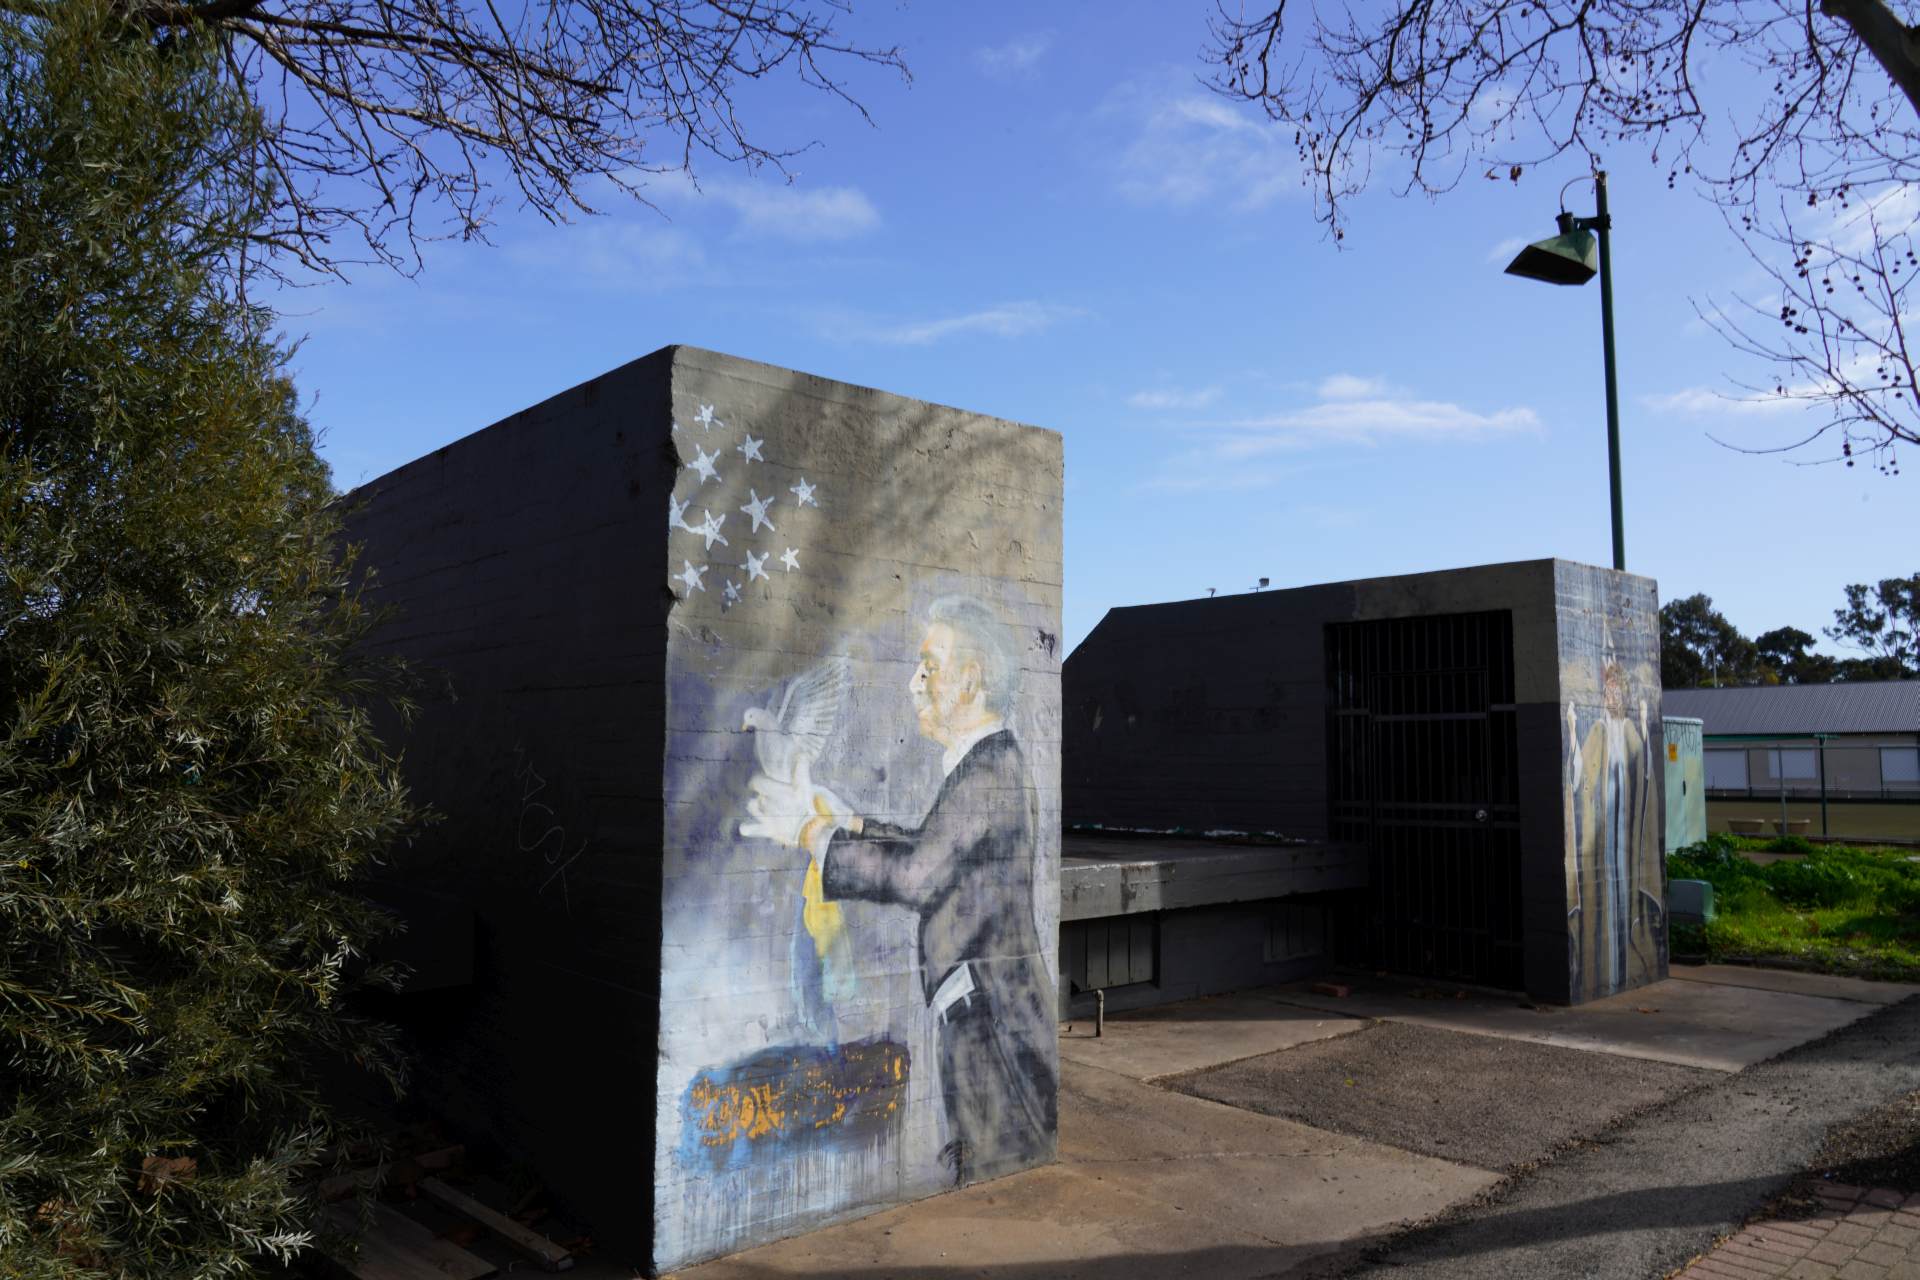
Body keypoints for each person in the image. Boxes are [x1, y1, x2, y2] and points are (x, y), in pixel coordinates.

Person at [741, 596, 1056, 1184]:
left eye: (928, 667)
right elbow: (931, 849)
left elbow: (917, 874)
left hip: (994, 1035)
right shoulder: (987, 766)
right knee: (985, 1162)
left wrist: (812, 835)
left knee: (994, 1168)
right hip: (985, 1021)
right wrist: (850, 824)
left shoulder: (988, 774)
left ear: (970, 680)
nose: (914, 684)